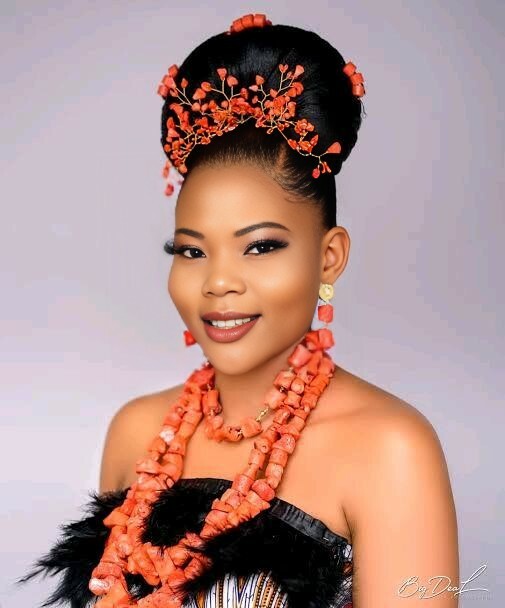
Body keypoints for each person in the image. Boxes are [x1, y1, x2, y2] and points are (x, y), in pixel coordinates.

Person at [17, 12, 459, 608]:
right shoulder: (137, 432)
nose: (218, 282)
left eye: (261, 246)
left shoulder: (391, 449)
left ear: (329, 258)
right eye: (191, 251)